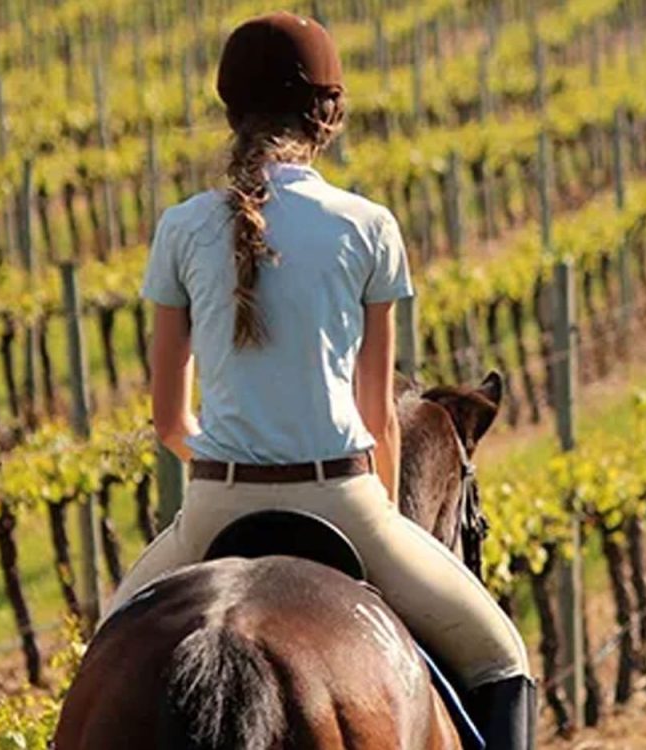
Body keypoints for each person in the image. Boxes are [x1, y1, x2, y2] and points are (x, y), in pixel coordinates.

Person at [103, 12, 534, 747]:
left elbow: (170, 420)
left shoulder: (180, 227)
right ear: (327, 116)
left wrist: (230, 465)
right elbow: (380, 414)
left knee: (101, 662)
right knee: (502, 658)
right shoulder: (368, 225)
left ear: (230, 112)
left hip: (213, 502)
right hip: (343, 497)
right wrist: (386, 514)